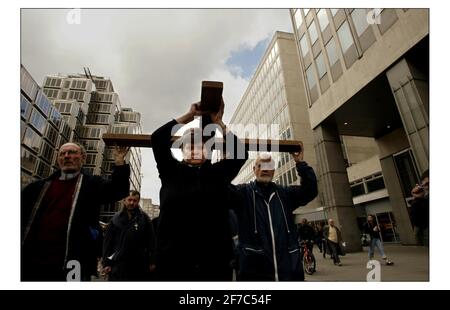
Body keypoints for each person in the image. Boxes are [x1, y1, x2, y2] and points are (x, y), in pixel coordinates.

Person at [151, 101, 248, 281]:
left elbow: (241, 152)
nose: (196, 149)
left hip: (214, 263)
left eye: (201, 145)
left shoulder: (219, 173)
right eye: (190, 145)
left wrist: (218, 122)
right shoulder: (170, 171)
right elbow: (157, 138)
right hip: (173, 263)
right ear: (182, 150)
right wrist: (188, 116)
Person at [21, 143, 130, 281]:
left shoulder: (92, 185)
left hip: (74, 262)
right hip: (34, 262)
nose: (67, 156)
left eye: (72, 152)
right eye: (62, 154)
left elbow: (118, 190)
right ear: (58, 159)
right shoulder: (37, 188)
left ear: (83, 158)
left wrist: (120, 161)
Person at [230, 147, 318, 281]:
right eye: (260, 166)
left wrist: (300, 163)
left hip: (288, 273)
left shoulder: (285, 194)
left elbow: (310, 190)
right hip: (255, 274)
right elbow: (217, 189)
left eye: (269, 166)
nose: (265, 169)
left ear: (273, 170)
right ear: (254, 170)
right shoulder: (243, 194)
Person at [102, 190, 156, 281]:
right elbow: (107, 243)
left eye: (134, 201)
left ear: (138, 202)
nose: (132, 203)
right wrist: (106, 263)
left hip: (139, 265)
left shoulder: (145, 219)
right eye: (129, 200)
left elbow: (151, 241)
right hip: (118, 264)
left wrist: (152, 261)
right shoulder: (115, 219)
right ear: (124, 200)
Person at [409, 170, 429, 246]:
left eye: (427, 183)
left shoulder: (424, 199)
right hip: (419, 223)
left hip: (423, 223)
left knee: (423, 237)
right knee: (418, 237)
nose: (426, 186)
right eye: (425, 184)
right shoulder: (416, 201)